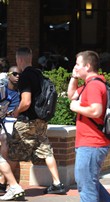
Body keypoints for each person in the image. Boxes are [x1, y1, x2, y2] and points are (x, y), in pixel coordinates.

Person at [10, 47, 66, 194]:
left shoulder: (25, 76)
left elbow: (26, 102)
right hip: (40, 120)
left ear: (20, 60)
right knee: (46, 151)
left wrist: (16, 111)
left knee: (14, 152)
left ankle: (9, 185)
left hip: (27, 121)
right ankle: (57, 183)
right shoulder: (38, 74)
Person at [67, 50, 110, 202]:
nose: (75, 67)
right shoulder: (90, 84)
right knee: (88, 180)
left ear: (87, 66)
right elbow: (72, 95)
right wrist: (74, 77)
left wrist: (76, 108)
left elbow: (96, 110)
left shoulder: (94, 86)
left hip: (92, 143)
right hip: (89, 143)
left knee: (86, 185)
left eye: (77, 64)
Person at [0, 66, 21, 191]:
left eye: (20, 74)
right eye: (15, 74)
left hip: (14, 123)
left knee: (10, 151)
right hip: (4, 122)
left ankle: (5, 182)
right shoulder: (3, 90)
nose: (18, 76)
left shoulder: (22, 91)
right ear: (8, 75)